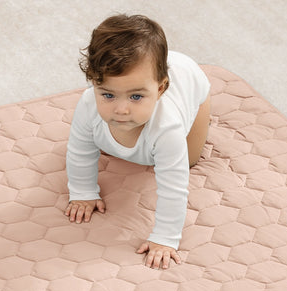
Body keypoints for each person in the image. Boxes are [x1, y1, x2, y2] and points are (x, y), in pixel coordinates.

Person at [65, 14, 211, 269]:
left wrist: (165, 238)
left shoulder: (168, 129)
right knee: (98, 139)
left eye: (136, 97)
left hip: (193, 86)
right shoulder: (88, 105)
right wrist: (83, 192)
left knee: (188, 160)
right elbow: (79, 151)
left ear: (161, 89)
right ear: (94, 85)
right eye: (108, 94)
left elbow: (173, 189)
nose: (121, 110)